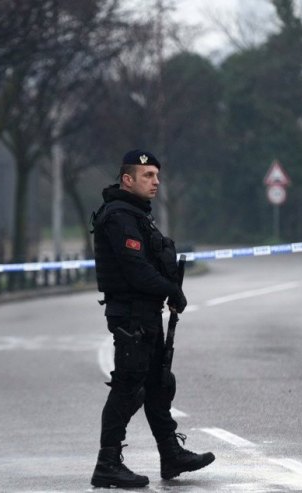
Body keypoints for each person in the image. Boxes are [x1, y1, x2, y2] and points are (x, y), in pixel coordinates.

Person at [89, 149, 215, 488]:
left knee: (159, 385)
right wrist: (171, 290)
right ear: (127, 179)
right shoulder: (118, 217)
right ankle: (108, 463)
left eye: (157, 176)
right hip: (131, 315)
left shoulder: (138, 215)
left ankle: (170, 454)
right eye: (148, 176)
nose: (156, 181)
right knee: (128, 389)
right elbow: (136, 270)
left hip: (146, 313)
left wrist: (168, 287)